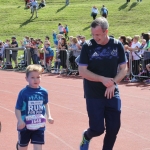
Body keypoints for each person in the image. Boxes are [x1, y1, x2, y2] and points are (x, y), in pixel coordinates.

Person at [78, 17, 127, 150]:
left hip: (112, 91)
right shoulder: (88, 46)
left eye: (98, 34)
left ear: (106, 31)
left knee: (114, 128)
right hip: (93, 93)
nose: (95, 37)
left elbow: (124, 69)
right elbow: (82, 71)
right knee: (97, 129)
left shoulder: (117, 45)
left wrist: (113, 83)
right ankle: (87, 136)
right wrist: (102, 79)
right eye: (93, 34)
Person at [15, 64, 54, 150]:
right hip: (25, 125)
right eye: (32, 77)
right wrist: (20, 120)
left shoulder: (44, 92)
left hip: (39, 124)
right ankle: (19, 145)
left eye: (38, 77)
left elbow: (46, 104)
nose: (35, 80)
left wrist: (49, 116)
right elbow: (17, 108)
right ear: (26, 79)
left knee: (38, 147)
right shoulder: (23, 93)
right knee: (23, 147)